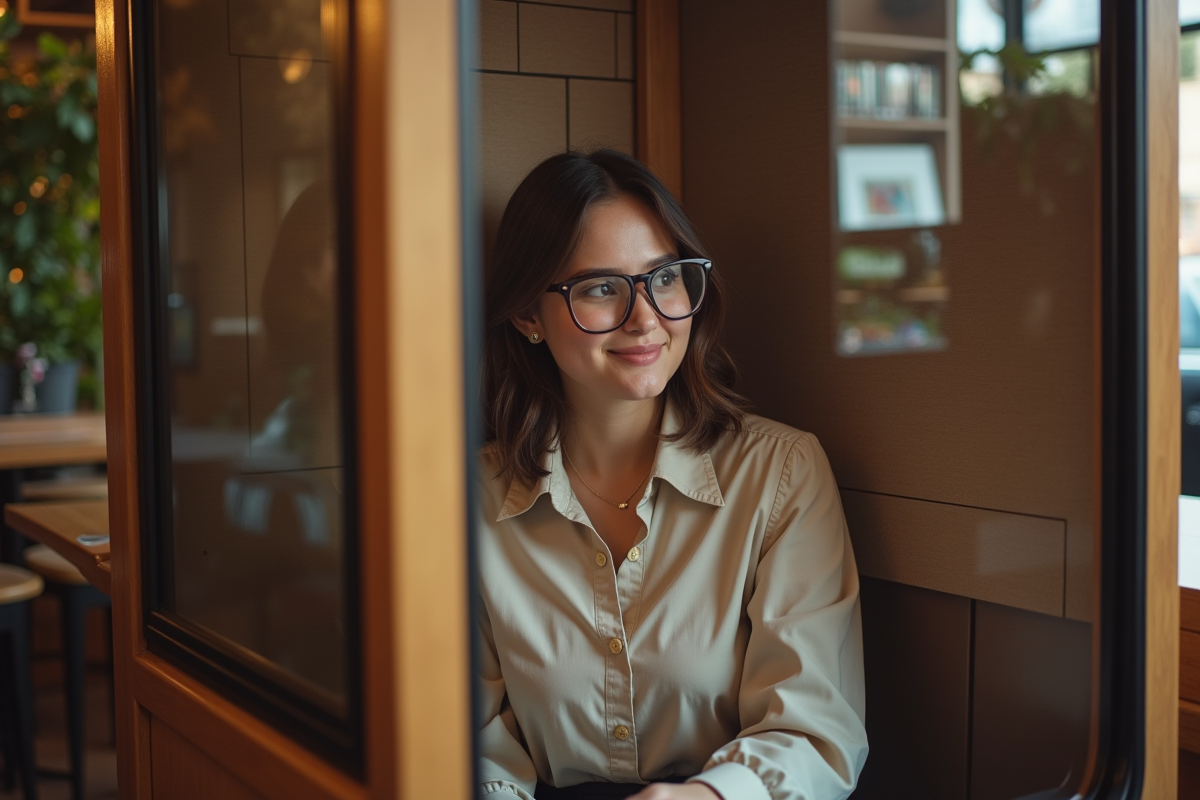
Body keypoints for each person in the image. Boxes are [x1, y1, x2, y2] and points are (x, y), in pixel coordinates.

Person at [477, 150, 867, 800]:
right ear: (526, 316)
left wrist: (705, 797)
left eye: (665, 278)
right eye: (600, 287)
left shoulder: (782, 475)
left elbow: (815, 730)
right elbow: (464, 743)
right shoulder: (466, 503)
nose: (646, 317)